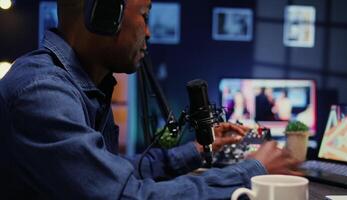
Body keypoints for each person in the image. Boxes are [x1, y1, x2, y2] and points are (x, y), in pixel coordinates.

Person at [0, 0, 302, 199]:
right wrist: (253, 171)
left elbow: (108, 172)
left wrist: (197, 150)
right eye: (144, 17)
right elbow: (125, 195)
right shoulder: (42, 93)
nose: (148, 32)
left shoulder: (77, 86)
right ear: (104, 15)